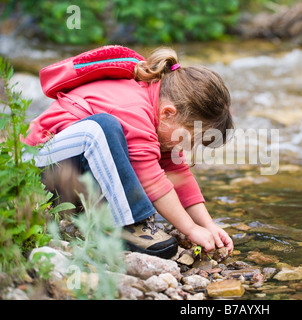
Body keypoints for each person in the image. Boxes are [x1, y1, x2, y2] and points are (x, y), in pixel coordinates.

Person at [23, 47, 234, 259]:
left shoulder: (157, 111)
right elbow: (152, 180)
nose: (187, 149)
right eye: (189, 140)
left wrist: (207, 224)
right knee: (102, 128)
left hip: (70, 173)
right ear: (168, 113)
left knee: (122, 141)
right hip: (37, 173)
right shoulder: (134, 109)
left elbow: (178, 175)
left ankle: (113, 218)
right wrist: (190, 229)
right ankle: (129, 223)